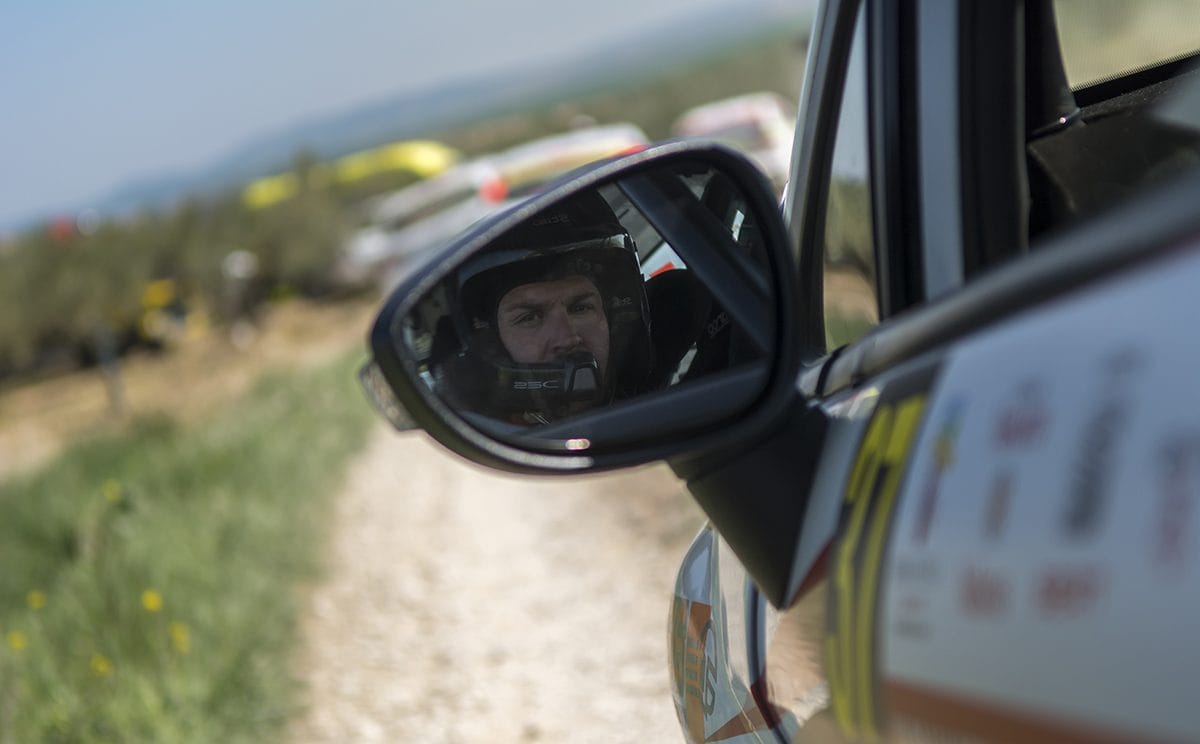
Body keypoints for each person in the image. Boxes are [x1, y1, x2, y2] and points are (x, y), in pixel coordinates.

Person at [430, 190, 654, 425]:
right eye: (530, 317)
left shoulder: (651, 406)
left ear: (612, 320)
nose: (568, 338)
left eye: (580, 308)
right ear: (489, 343)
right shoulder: (483, 433)